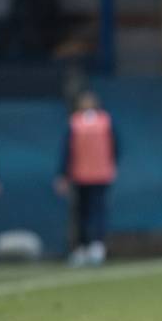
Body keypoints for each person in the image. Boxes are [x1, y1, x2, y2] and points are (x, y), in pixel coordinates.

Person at [55, 91, 119, 266]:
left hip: (100, 175)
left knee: (98, 211)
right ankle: (82, 248)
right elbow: (66, 150)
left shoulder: (105, 121)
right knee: (81, 213)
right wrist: (63, 174)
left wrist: (112, 165)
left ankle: (97, 246)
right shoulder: (74, 122)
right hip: (80, 175)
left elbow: (115, 145)